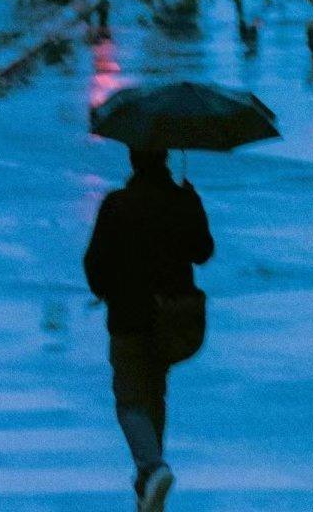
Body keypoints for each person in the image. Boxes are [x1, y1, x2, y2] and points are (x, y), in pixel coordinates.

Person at [84, 146, 214, 512]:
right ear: (165, 159)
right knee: (154, 394)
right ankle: (148, 488)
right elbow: (202, 251)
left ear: (132, 161)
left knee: (129, 400)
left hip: (128, 318)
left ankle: (152, 469)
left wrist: (108, 291)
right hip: (171, 318)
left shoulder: (117, 204)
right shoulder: (179, 201)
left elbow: (94, 263)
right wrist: (192, 202)